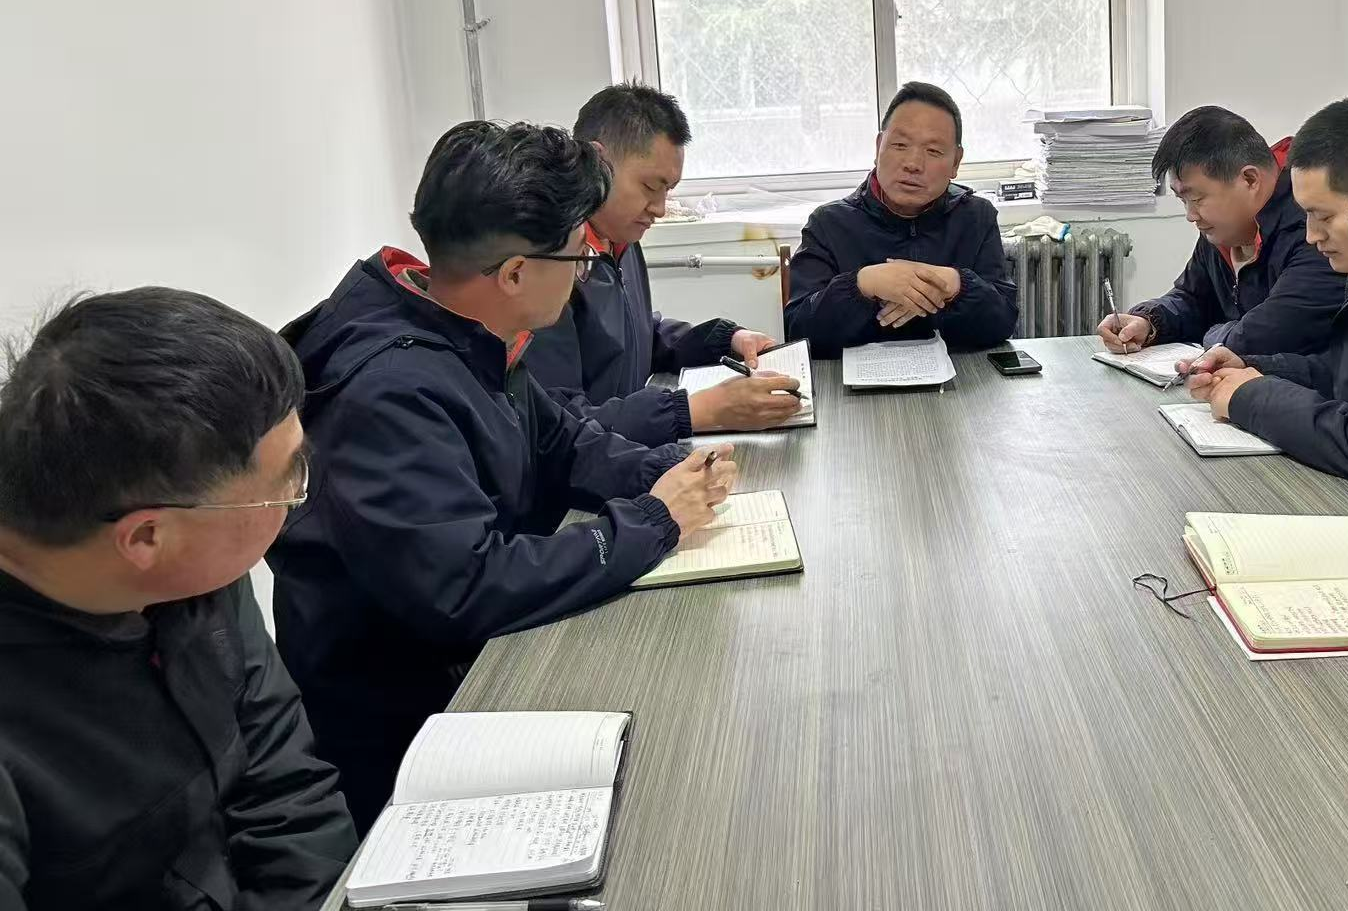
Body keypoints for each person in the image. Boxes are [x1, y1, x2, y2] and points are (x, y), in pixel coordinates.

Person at [268, 121, 737, 831]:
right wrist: (652, 520)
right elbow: (465, 585)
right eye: (577, 256)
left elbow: (564, 443)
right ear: (517, 273)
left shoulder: (461, 324)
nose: (583, 273)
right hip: (412, 724)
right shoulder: (389, 389)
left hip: (468, 662)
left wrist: (670, 470)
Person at [0, 289, 356, 910]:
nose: (298, 495)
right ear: (146, 537)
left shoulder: (196, 574)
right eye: (287, 480)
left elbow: (286, 787)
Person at [1181, 97, 1348, 505]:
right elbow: (1347, 377)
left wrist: (1251, 397)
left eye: (1323, 217)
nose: (1312, 236)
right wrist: (1254, 367)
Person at [525, 82, 802, 446]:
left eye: (668, 189)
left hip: (630, 451)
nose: (659, 208)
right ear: (596, 162)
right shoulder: (552, 266)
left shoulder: (620, 241)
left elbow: (639, 338)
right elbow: (560, 425)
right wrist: (696, 411)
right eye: (650, 187)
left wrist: (728, 339)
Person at [784, 81, 1019, 355]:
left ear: (956, 162)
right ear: (878, 147)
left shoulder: (976, 217)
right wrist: (863, 284)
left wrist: (956, 285)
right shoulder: (828, 223)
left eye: (933, 151)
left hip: (959, 377)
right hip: (855, 381)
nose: (913, 164)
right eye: (900, 144)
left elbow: (1003, 323)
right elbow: (798, 330)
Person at [1097, 105, 1344, 357]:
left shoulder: (1313, 230)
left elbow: (1266, 337)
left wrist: (1214, 334)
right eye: (1183, 201)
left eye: (1197, 199)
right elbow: (1193, 298)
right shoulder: (1223, 230)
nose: (1191, 215)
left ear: (1249, 179)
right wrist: (1149, 322)